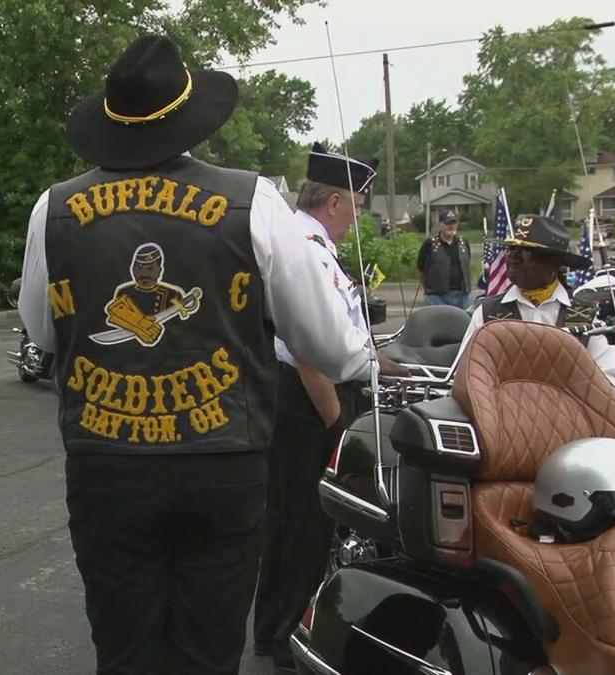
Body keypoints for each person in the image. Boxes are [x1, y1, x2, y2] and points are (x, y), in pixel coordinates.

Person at [18, 35, 407, 675]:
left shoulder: (53, 208)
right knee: (207, 652)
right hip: (220, 458)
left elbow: (42, 327)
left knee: (125, 651)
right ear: (189, 118)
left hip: (107, 463)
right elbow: (333, 349)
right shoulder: (253, 202)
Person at [253, 144, 385, 672]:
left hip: (320, 397)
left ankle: (284, 626)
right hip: (311, 403)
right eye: (357, 203)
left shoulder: (315, 243)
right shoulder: (304, 246)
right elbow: (306, 346)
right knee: (301, 524)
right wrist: (336, 423)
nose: (359, 214)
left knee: (306, 524)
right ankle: (280, 636)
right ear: (335, 200)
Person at [456, 214, 615, 385]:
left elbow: (606, 381)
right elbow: (465, 376)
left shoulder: (584, 314)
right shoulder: (488, 313)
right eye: (511, 250)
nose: (513, 259)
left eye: (525, 253)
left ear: (555, 264)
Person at [417, 210, 472, 308]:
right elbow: (421, 268)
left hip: (462, 295)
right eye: (447, 223)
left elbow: (468, 264)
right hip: (436, 296)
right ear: (440, 224)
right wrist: (429, 289)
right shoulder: (429, 244)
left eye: (453, 223)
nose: (451, 226)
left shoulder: (464, 242)